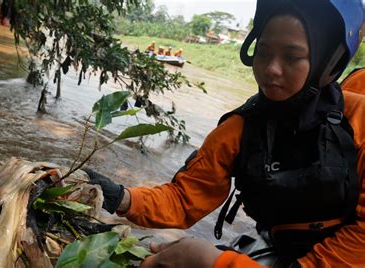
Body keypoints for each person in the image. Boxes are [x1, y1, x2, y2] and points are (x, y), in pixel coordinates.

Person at [84, 0, 365, 267]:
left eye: (292, 57)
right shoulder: (240, 130)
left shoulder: (359, 122)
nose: (271, 69)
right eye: (264, 52)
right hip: (281, 250)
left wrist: (216, 263)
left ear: (328, 64)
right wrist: (117, 196)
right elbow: (184, 198)